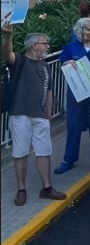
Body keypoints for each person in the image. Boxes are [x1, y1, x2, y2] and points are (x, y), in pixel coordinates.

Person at [2, 23, 66, 206]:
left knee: (44, 152)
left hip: (40, 116)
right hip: (20, 114)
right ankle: (21, 189)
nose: (47, 46)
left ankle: (46, 188)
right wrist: (8, 36)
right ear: (33, 45)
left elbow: (49, 92)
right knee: (20, 153)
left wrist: (48, 116)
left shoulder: (45, 65)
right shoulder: (20, 61)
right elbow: (8, 54)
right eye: (44, 43)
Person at [55, 17, 90, 175]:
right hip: (76, 93)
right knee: (74, 125)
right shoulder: (71, 47)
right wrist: (66, 64)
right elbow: (62, 63)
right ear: (80, 31)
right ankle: (69, 159)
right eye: (88, 29)